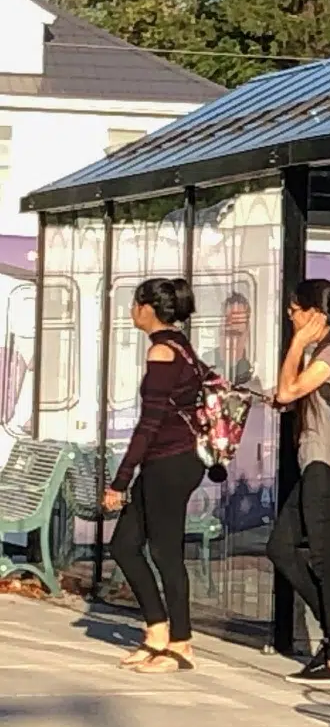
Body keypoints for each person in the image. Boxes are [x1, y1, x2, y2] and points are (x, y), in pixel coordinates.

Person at [105, 277, 208, 674]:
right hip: (168, 461)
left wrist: (120, 481)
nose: (132, 312)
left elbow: (148, 425)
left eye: (134, 304)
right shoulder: (180, 348)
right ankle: (157, 632)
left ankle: (181, 644)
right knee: (125, 546)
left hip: (171, 461)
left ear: (149, 308)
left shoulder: (164, 353)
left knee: (166, 552)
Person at [268, 278, 330, 682]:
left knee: (325, 559)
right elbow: (283, 395)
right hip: (316, 465)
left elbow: (288, 390)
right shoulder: (325, 353)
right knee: (281, 547)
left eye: (295, 310)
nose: (291, 316)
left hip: (329, 467)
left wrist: (296, 343)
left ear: (314, 314)